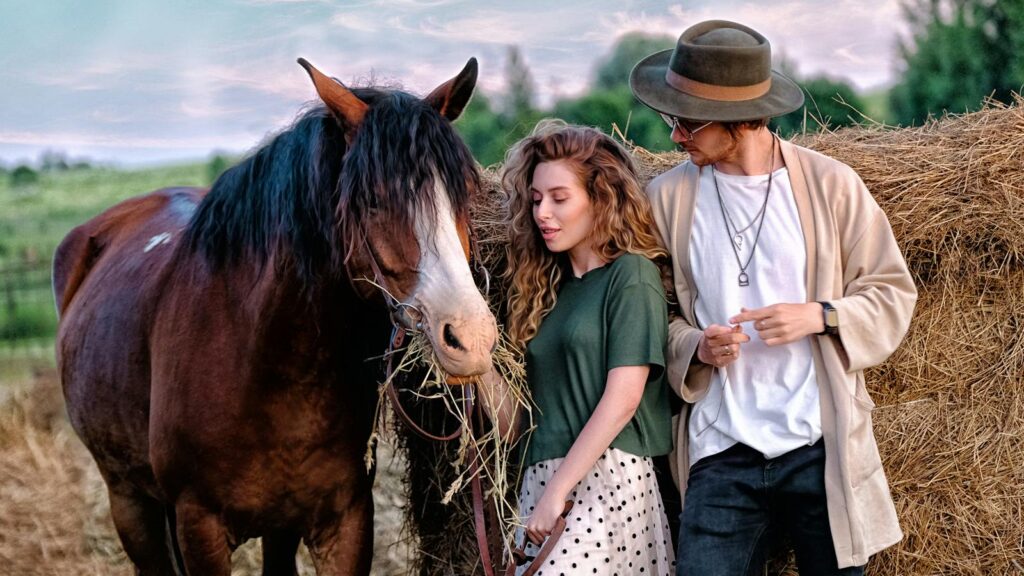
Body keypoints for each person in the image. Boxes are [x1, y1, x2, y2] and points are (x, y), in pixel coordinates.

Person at [628, 20, 918, 575]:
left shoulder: (831, 185)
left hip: (818, 445)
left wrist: (821, 315)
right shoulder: (664, 201)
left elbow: (891, 291)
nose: (674, 137)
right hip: (721, 451)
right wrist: (695, 347)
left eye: (687, 122)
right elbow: (648, 314)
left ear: (738, 123)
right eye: (672, 119)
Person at [501, 119, 675, 575]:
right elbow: (522, 423)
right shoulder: (547, 292)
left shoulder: (632, 276)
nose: (542, 213)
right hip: (541, 481)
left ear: (602, 198)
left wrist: (558, 491)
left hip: (607, 479)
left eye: (560, 198)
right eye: (536, 199)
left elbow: (623, 399)